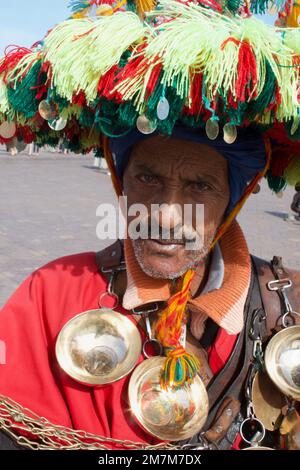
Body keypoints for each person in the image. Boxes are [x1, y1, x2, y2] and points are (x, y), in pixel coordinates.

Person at [0, 0, 299, 451]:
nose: (166, 215)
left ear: (234, 199)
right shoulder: (51, 296)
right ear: (120, 180)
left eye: (199, 186)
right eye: (148, 179)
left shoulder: (289, 307)